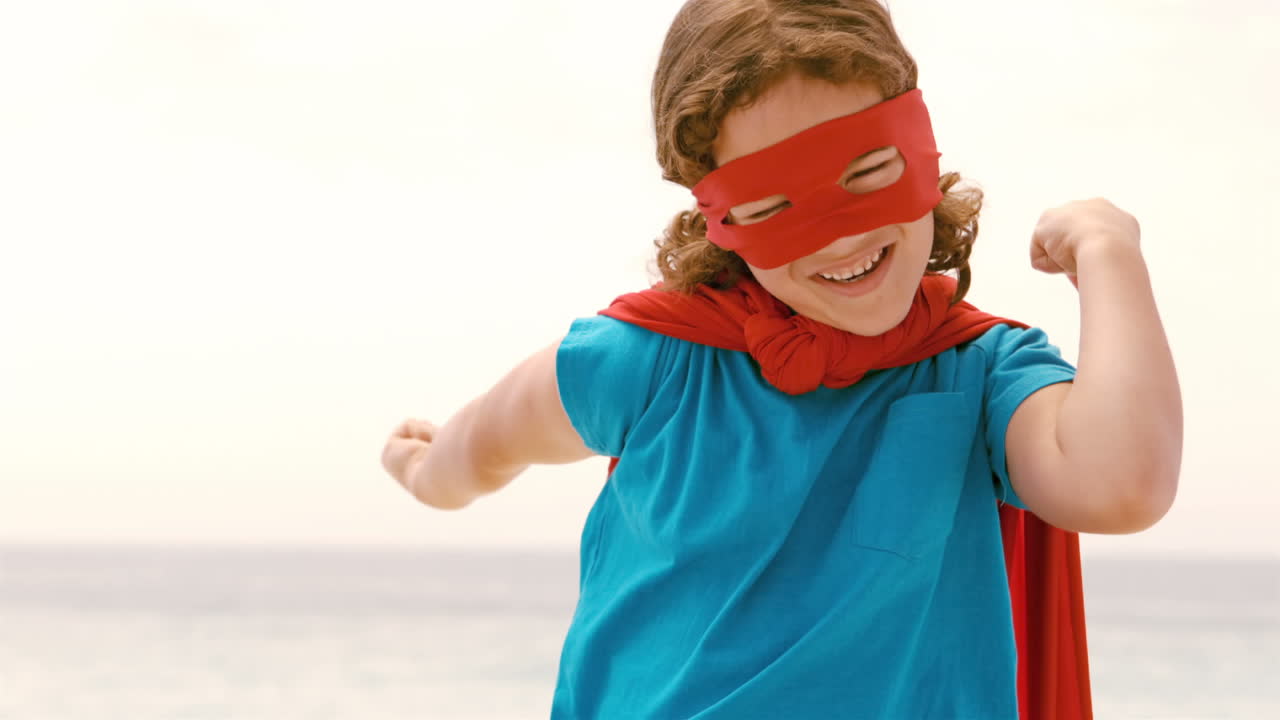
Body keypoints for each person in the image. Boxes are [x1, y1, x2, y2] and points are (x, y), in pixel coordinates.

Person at [380, 0, 1182, 717]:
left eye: (868, 170)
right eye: (770, 208)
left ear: (922, 147)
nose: (839, 236)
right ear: (716, 215)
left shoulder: (980, 377)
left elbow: (1120, 485)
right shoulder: (651, 361)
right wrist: (425, 473)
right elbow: (485, 442)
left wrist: (1110, 254)